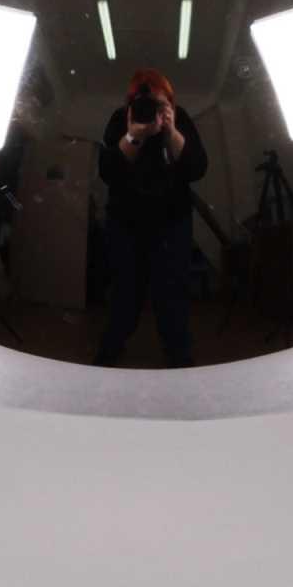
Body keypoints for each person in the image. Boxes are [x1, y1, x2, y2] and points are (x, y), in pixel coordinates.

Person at [94, 69, 208, 368]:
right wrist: (134, 135)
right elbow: (107, 171)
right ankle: (108, 353)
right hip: (125, 223)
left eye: (159, 105)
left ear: (170, 104)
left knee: (173, 295)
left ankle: (179, 358)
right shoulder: (120, 120)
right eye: (143, 104)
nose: (151, 111)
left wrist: (171, 132)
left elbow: (197, 168)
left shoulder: (180, 119)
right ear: (131, 103)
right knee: (124, 293)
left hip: (172, 223)